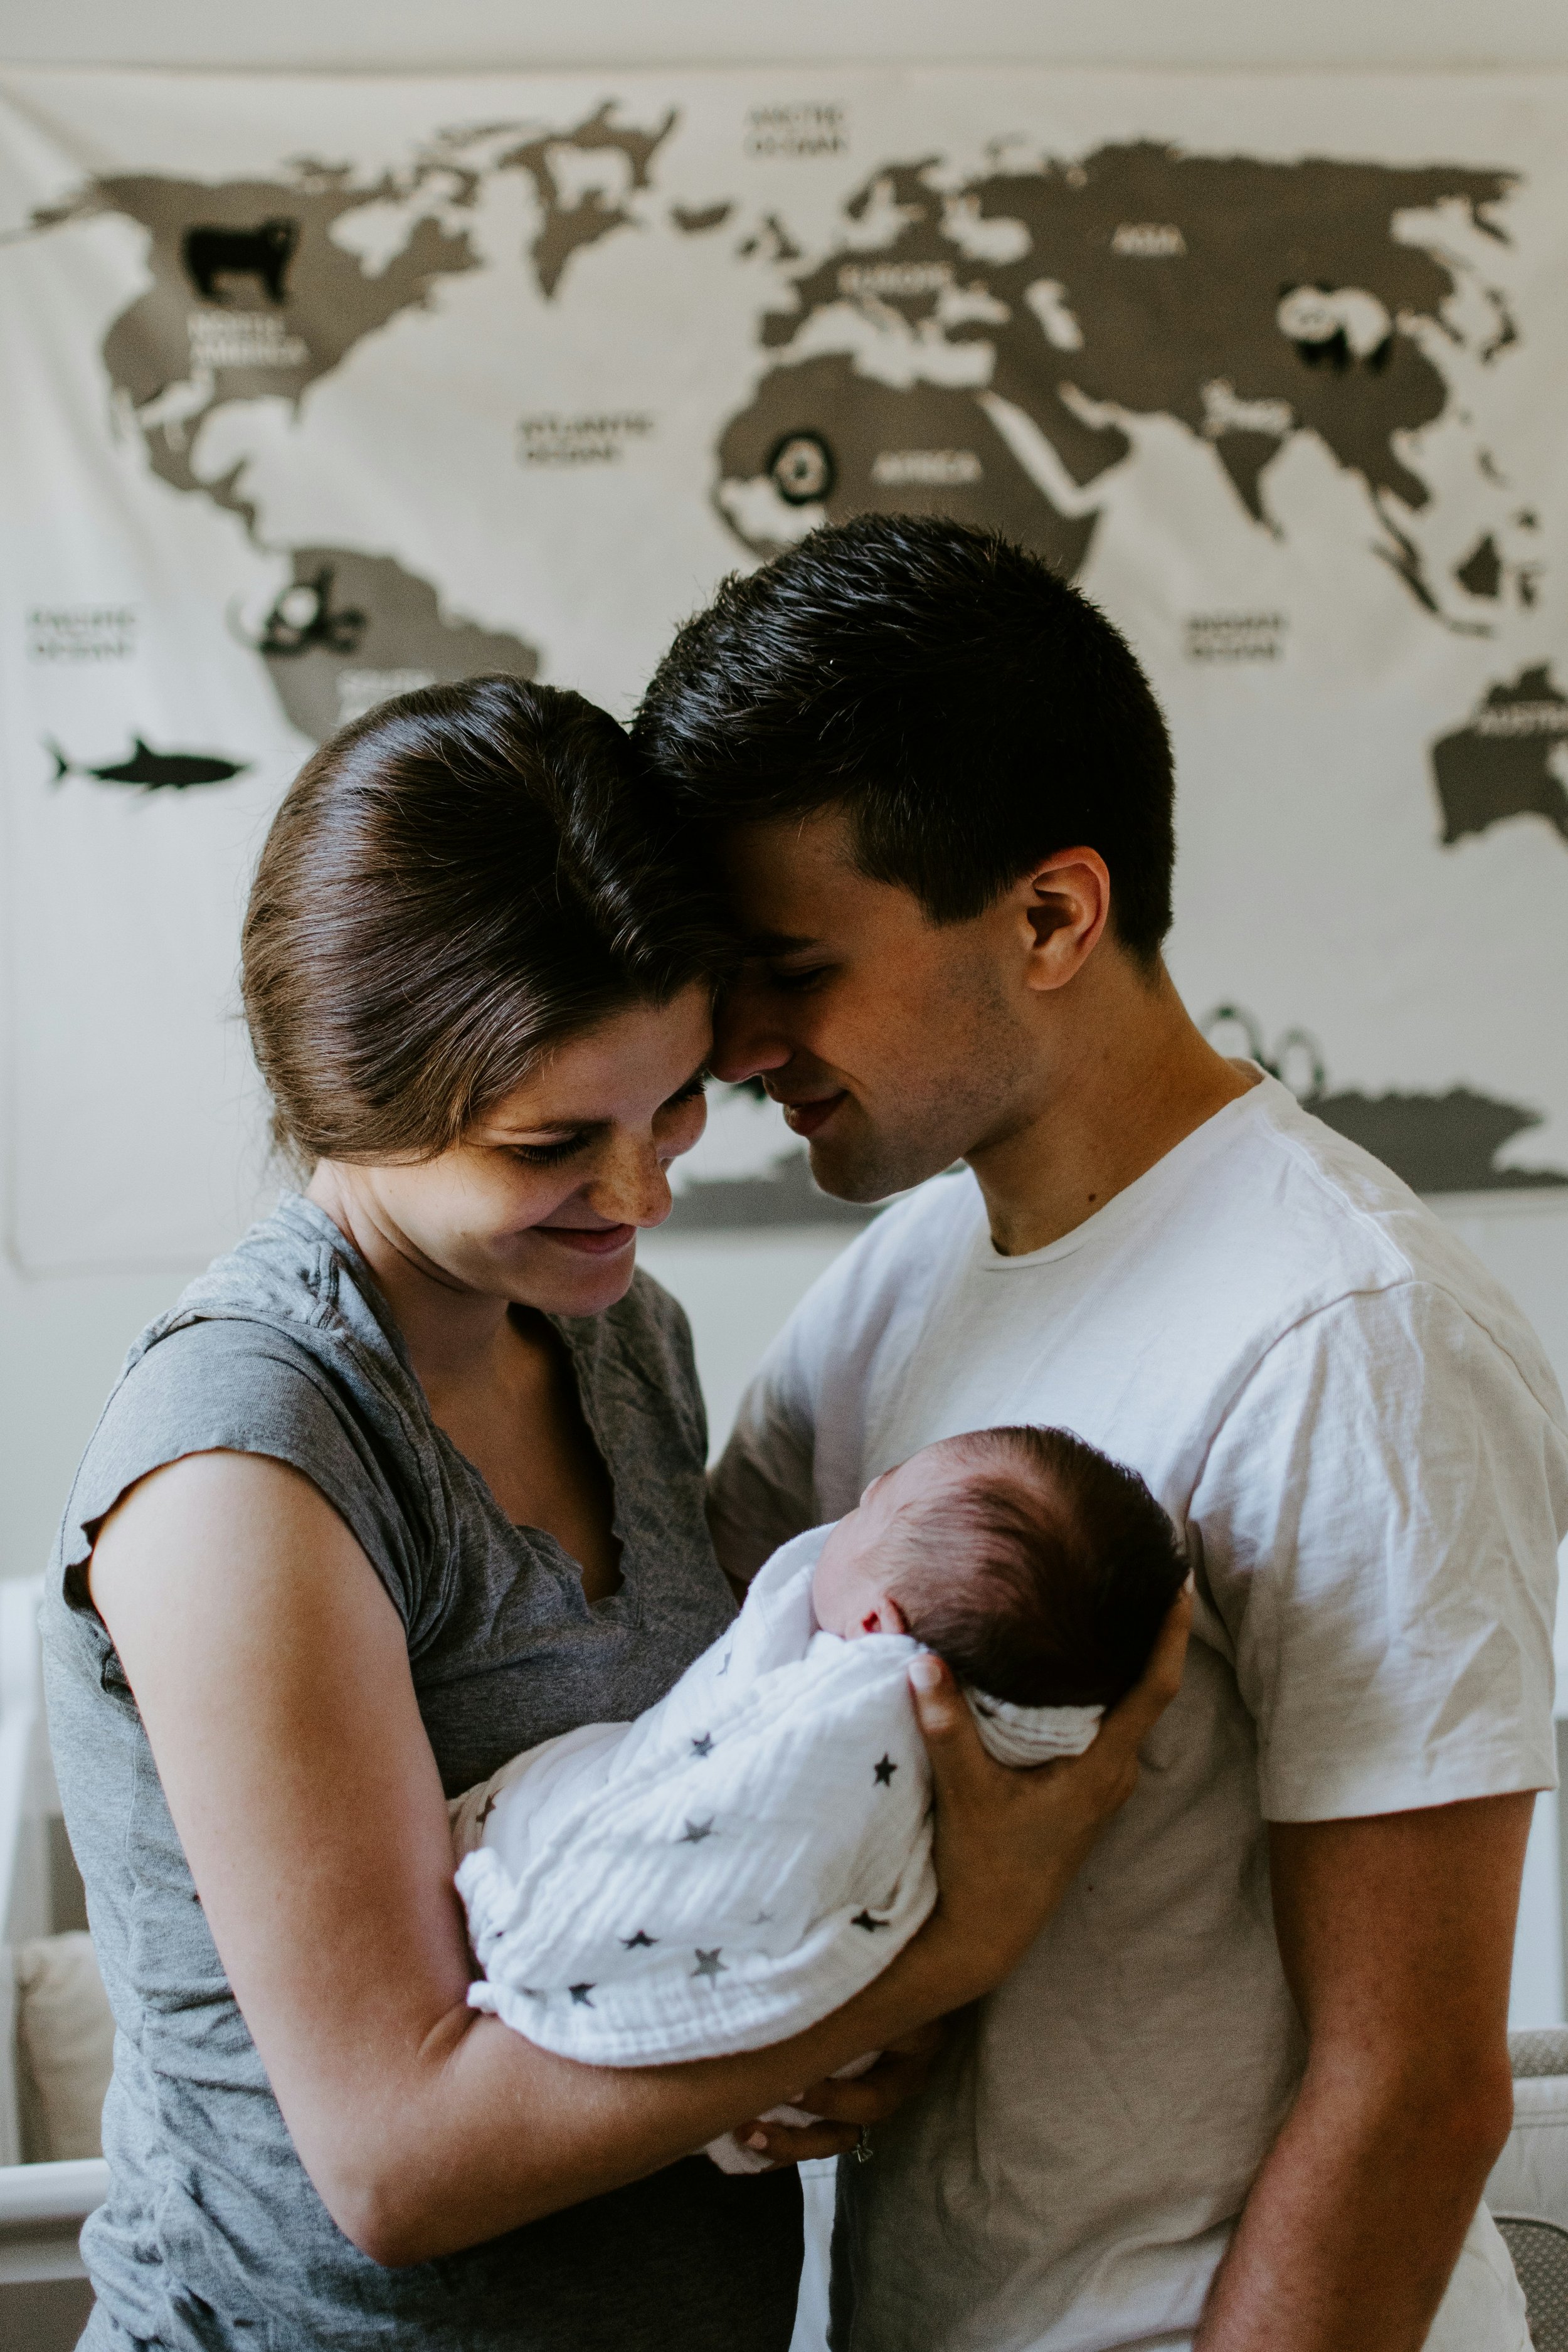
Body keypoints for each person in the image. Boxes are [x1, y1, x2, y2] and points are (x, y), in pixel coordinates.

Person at [43, 674, 1185, 2352]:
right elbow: (396, 2158)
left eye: (672, 1104)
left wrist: (817, 2038)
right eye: (551, 1142)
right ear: (346, 1094)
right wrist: (938, 1953)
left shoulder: (612, 1333)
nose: (642, 1194)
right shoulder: (247, 1452)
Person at [634, 514, 1568, 2352]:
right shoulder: (902, 1273)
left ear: (1050, 913)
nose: (732, 1045)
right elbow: (730, 1723)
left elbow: (1411, 2088)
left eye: (789, 965)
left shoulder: (1348, 1333)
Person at [450, 1422, 1187, 2119]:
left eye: (878, 1506)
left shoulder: (850, 1721)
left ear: (874, 1625)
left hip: (603, 2037)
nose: (859, 1499)